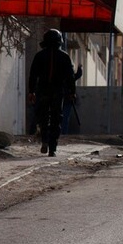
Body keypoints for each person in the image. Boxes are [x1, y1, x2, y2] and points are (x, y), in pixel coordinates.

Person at [28, 29, 77, 157]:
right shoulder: (64, 56)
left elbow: (33, 75)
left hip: (42, 91)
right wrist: (72, 92)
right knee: (56, 119)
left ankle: (44, 140)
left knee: (43, 118)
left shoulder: (39, 56)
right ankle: (52, 148)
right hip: (57, 92)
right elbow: (70, 77)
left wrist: (31, 91)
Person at [61, 64, 83, 134]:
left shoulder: (70, 77)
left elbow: (78, 75)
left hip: (67, 100)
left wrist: (79, 68)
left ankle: (63, 133)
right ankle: (62, 132)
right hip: (64, 100)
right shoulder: (67, 77)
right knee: (64, 118)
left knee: (65, 118)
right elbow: (78, 75)